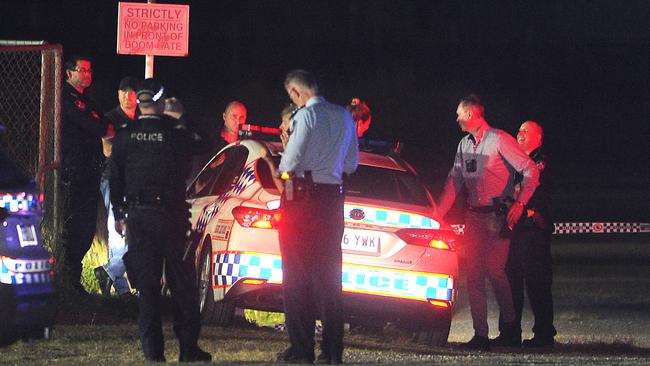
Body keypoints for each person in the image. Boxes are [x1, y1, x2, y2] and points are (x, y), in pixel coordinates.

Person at [109, 78, 212, 362]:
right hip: (172, 218)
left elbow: (115, 176)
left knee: (147, 288)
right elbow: (207, 144)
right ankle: (188, 349)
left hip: (139, 219)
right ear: (161, 100)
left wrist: (119, 213)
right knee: (182, 285)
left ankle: (153, 353)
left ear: (140, 102)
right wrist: (182, 117)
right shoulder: (175, 133)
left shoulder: (125, 133)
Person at [437, 94, 540, 351]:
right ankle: (480, 335)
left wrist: (520, 203)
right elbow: (454, 181)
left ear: (471, 114)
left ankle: (510, 328)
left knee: (495, 272)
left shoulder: (499, 140)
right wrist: (437, 214)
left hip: (497, 216)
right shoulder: (464, 145)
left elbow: (530, 169)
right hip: (473, 217)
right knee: (473, 275)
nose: (457, 118)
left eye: (459, 113)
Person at [276, 69, 359, 364]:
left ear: (298, 93)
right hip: (332, 201)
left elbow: (291, 159)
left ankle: (302, 351)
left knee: (297, 278)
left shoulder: (304, 117)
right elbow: (351, 163)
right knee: (329, 278)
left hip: (302, 201)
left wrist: (282, 172)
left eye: (292, 97)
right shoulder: (344, 117)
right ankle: (333, 351)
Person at [496, 120, 556, 348]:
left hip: (533, 231)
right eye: (518, 130)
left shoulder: (541, 161)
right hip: (514, 230)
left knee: (537, 284)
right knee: (510, 282)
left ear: (538, 138)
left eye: (525, 131)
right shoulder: (514, 161)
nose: (519, 134)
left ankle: (543, 336)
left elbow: (525, 188)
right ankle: (510, 333)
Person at [60, 55, 109, 293]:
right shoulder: (68, 99)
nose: (87, 75)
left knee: (87, 225)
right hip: (75, 168)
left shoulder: (86, 99)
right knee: (77, 223)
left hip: (89, 168)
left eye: (90, 71)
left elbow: (103, 122)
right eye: (83, 70)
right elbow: (96, 125)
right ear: (69, 73)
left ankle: (73, 276)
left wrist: (99, 123)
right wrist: (98, 123)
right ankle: (69, 277)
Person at [94, 76, 139, 296]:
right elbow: (107, 149)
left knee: (131, 231)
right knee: (118, 231)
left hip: (134, 180)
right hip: (113, 178)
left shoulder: (142, 119)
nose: (127, 97)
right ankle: (119, 284)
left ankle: (112, 277)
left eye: (132, 93)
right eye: (124, 92)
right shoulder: (111, 118)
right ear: (118, 94)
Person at [191, 100, 247, 177]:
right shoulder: (209, 141)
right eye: (234, 116)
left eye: (242, 117)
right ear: (224, 116)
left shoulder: (246, 144)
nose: (238, 121)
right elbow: (196, 175)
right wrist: (213, 166)